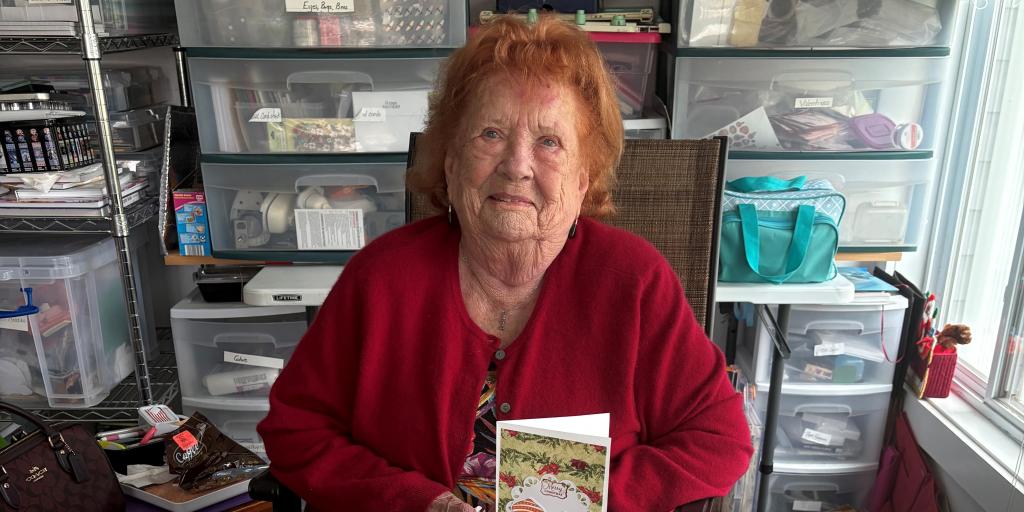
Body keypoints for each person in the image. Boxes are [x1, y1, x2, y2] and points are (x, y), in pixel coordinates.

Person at [258, 14, 752, 512]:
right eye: (490, 134)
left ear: (584, 178)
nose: (517, 165)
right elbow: (296, 429)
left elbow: (718, 439)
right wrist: (415, 501)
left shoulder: (634, 281)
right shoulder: (381, 277)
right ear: (449, 162)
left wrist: (593, 501)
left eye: (549, 142)